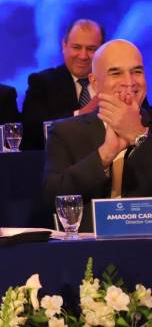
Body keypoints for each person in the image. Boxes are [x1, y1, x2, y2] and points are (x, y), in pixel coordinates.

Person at [43, 39, 152, 231]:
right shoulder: (65, 132)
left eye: (137, 71)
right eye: (116, 73)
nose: (129, 82)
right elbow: (52, 199)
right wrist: (105, 154)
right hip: (89, 246)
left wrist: (139, 135)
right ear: (94, 82)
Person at [21, 20, 104, 149]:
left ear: (102, 50)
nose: (83, 56)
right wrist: (81, 114)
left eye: (91, 49)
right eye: (76, 47)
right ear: (64, 46)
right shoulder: (41, 83)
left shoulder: (115, 83)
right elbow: (31, 131)